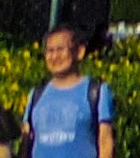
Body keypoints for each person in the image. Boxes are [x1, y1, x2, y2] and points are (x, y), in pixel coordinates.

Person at [20, 28, 113, 158]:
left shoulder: (96, 92)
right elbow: (26, 142)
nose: (55, 56)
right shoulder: (36, 95)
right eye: (50, 51)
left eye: (60, 50)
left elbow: (105, 141)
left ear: (79, 52)